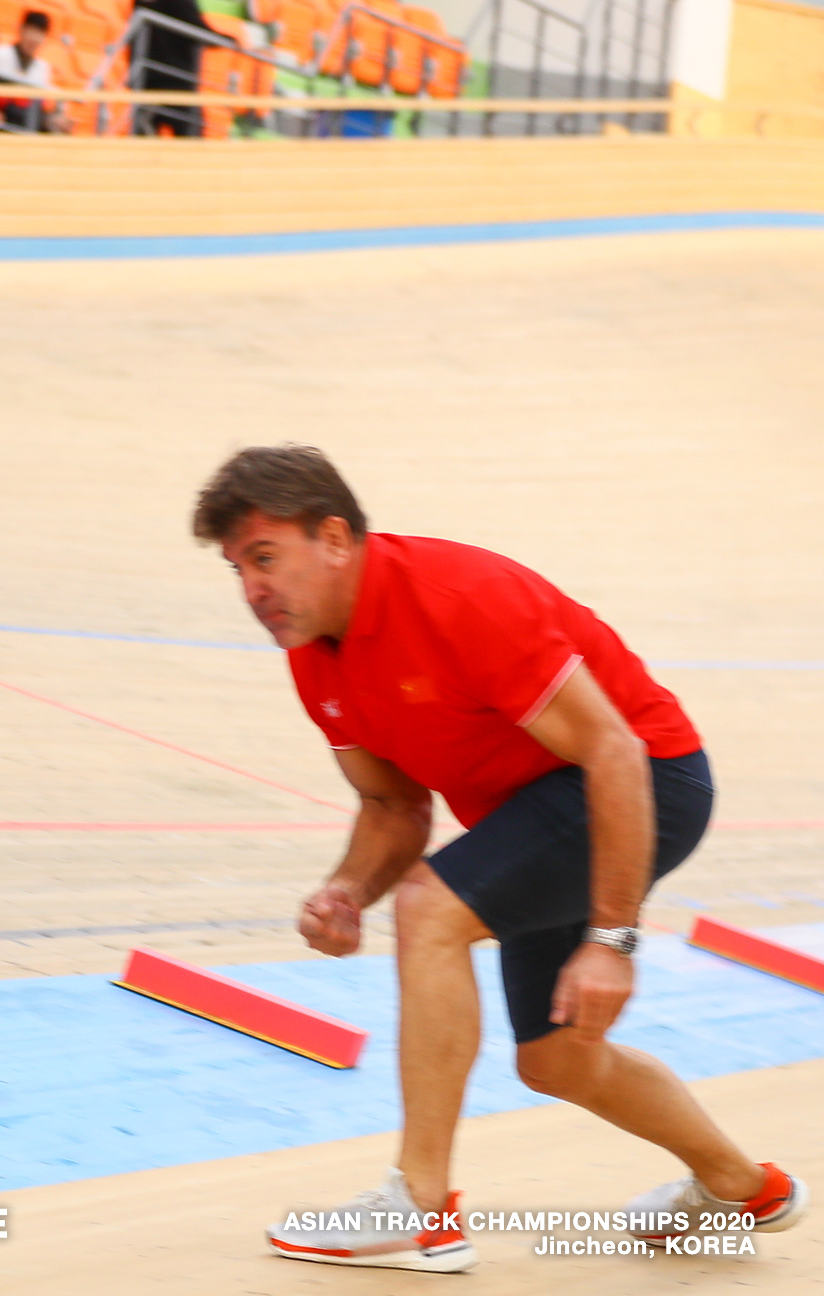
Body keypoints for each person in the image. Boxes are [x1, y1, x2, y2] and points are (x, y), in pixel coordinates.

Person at [188, 445, 808, 1272]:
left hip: (646, 779)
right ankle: (741, 1188)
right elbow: (393, 806)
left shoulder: (459, 598)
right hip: (544, 810)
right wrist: (345, 890)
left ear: (334, 537)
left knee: (430, 910)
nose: (251, 590)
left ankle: (420, 1206)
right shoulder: (314, 657)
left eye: (265, 558)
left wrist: (614, 941)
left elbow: (613, 751)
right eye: (237, 569)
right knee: (555, 1060)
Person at [0, 9, 69, 133]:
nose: (34, 39)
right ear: (21, 29)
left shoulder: (42, 68)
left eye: (40, 34)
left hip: (23, 124)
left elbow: (37, 107)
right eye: (31, 31)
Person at [130, 0, 205, 136]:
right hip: (173, 75)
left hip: (150, 71)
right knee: (188, 131)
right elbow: (188, 17)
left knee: (146, 127)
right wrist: (220, 38)